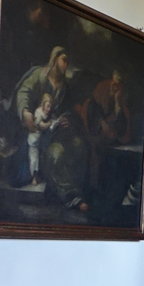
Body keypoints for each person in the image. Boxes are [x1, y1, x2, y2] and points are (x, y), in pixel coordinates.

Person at [12, 45, 90, 210]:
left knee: (79, 145)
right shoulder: (39, 76)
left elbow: (69, 110)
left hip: (55, 131)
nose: (66, 65)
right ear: (54, 59)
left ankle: (79, 189)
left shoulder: (65, 86)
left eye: (68, 62)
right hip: (36, 131)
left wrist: (67, 120)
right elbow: (23, 93)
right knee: (57, 153)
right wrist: (25, 112)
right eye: (64, 60)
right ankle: (72, 196)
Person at [26, 91, 54, 185]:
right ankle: (33, 178)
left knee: (41, 157)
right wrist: (50, 123)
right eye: (48, 106)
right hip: (34, 139)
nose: (49, 109)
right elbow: (41, 126)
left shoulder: (45, 112)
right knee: (34, 159)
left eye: (50, 106)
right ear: (43, 104)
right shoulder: (38, 112)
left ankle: (40, 177)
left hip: (39, 139)